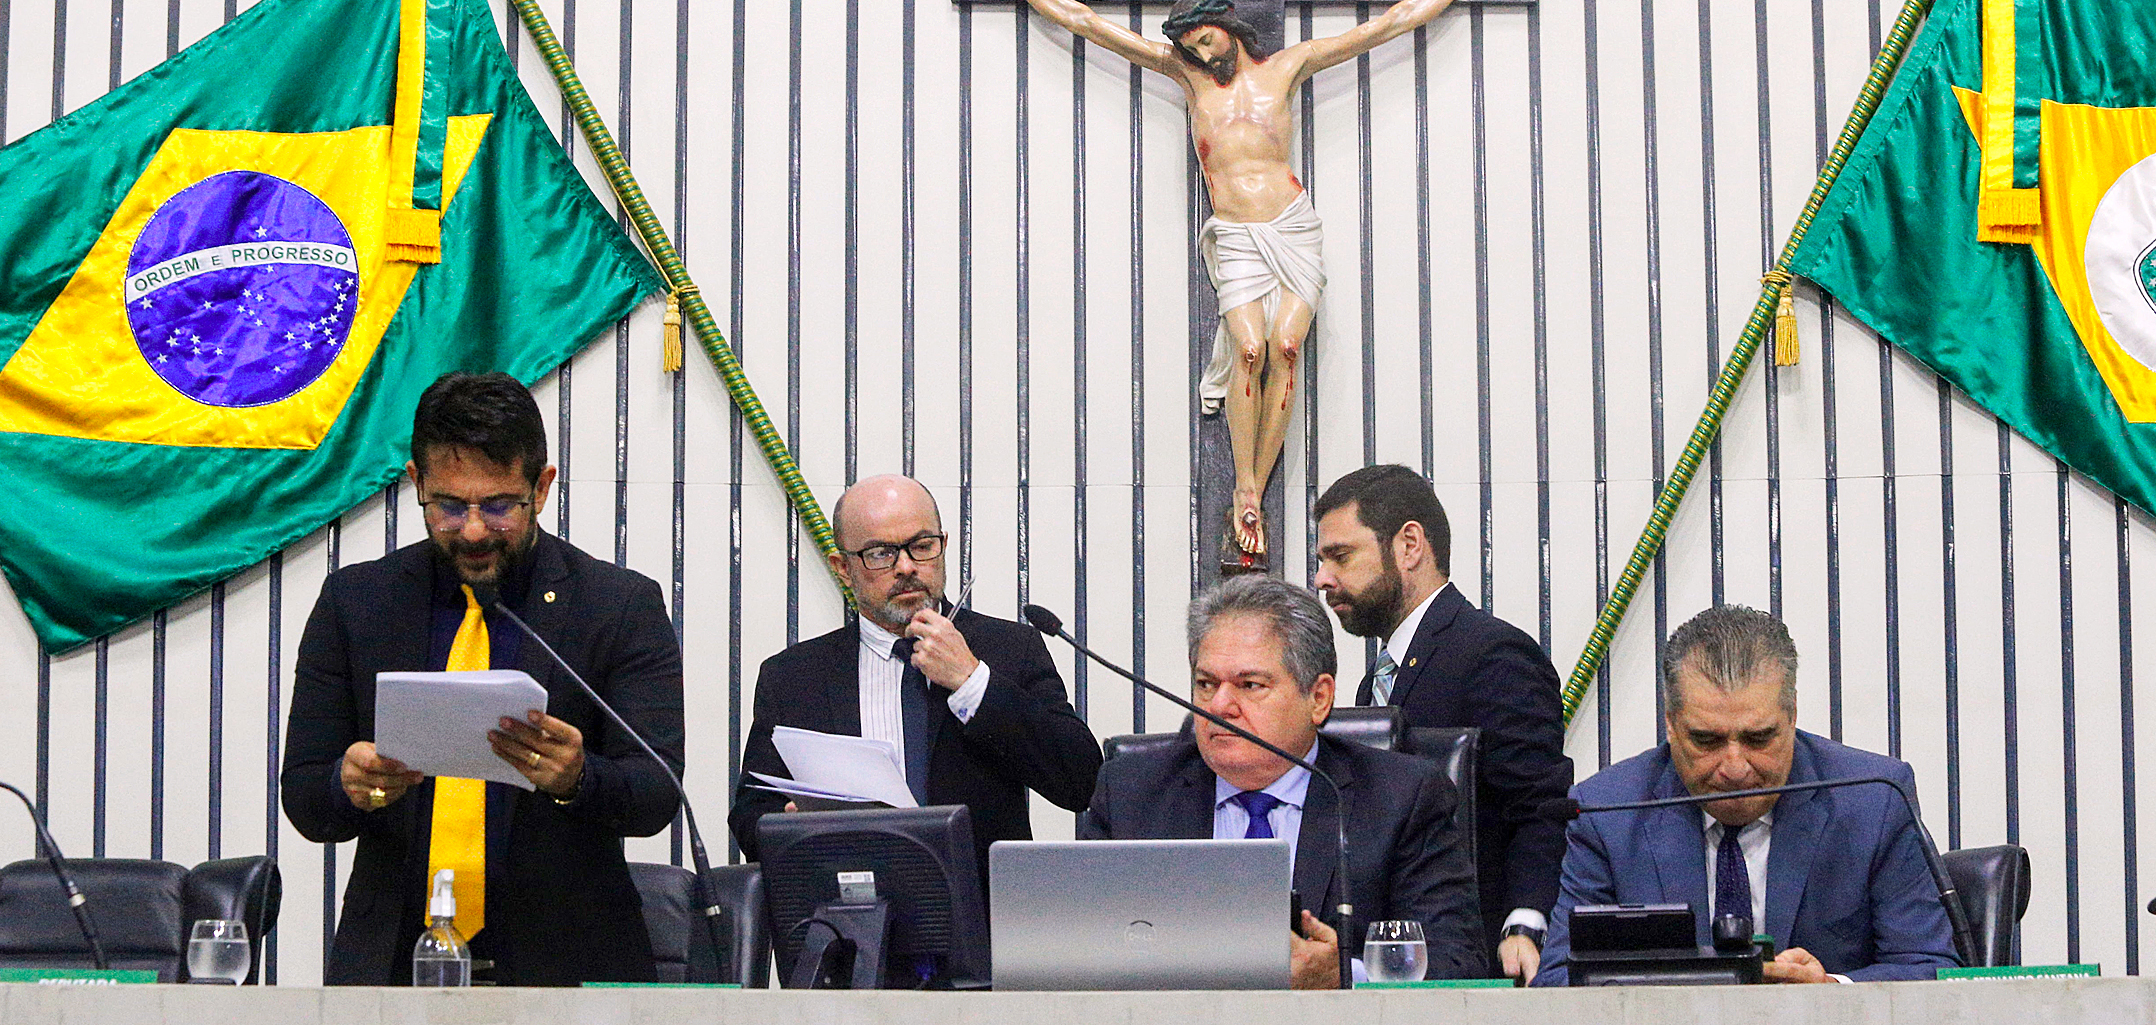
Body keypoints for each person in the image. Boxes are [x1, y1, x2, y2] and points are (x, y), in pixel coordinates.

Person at [967, 0, 1510, 569]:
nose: (1201, 52)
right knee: (1249, 349)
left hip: (1290, 226)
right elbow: (1088, 23)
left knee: (1286, 345)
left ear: (1229, 27)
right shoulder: (1189, 80)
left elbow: (1389, 24)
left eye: (1206, 39)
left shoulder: (1289, 67)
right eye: (1190, 46)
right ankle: (1246, 494)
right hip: (1236, 235)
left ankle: (1251, 488)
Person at [283, 372, 685, 986]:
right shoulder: (357, 602)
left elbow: (656, 794)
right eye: (448, 505)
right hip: (390, 963)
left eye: (498, 505)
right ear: (416, 483)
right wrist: (350, 785)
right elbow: (307, 798)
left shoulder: (617, 604)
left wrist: (580, 778)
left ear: (542, 487)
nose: (472, 529)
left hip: (570, 962)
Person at [1080, 574, 1488, 988]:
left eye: (1249, 685)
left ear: (1318, 698)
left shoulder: (1401, 798)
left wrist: (1344, 976)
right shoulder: (1131, 793)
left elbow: (1459, 963)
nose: (1219, 706)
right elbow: (1076, 949)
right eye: (1206, 684)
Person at [1534, 605, 1959, 985]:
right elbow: (1556, 981)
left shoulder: (1874, 798)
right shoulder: (1607, 811)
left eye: (1759, 738)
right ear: (1670, 724)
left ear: (1791, 717)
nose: (1735, 768)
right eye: (1706, 740)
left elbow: (1929, 966)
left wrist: (1831, 992)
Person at [729, 474, 1102, 897]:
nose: (906, 567)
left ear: (943, 545)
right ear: (843, 568)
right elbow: (751, 812)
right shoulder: (794, 676)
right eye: (880, 553)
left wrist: (972, 680)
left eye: (922, 547)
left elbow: (1080, 781)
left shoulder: (1009, 649)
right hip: (852, 928)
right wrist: (791, 829)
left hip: (986, 926)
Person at [1311, 463, 1573, 983]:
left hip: (1472, 962)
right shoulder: (1374, 684)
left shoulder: (1494, 653)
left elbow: (1540, 808)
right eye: (1322, 561)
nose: (1322, 579)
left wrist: (1524, 923)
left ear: (1410, 545)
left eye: (1340, 556)